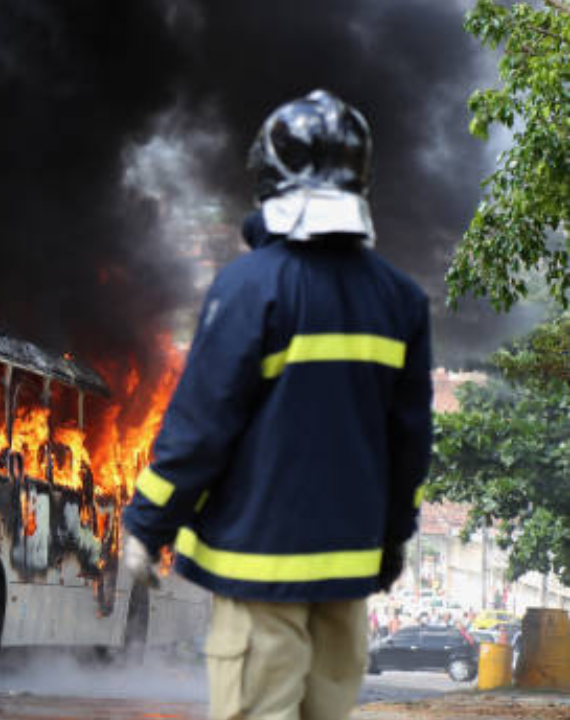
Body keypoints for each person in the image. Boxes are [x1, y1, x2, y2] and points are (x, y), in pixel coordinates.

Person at [122, 89, 433, 720]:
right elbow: (411, 446)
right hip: (347, 576)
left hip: (258, 571)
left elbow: (201, 427)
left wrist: (147, 525)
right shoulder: (400, 300)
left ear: (271, 177)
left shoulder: (250, 286)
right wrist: (393, 540)